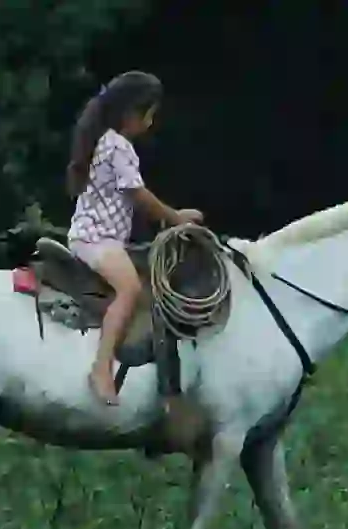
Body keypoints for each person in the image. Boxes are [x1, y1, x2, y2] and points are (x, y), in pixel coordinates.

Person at [66, 70, 203, 406]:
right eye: (150, 114)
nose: (152, 122)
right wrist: (176, 218)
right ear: (133, 114)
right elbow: (138, 195)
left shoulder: (104, 141)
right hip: (97, 239)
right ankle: (102, 368)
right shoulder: (118, 147)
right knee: (130, 289)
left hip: (98, 236)